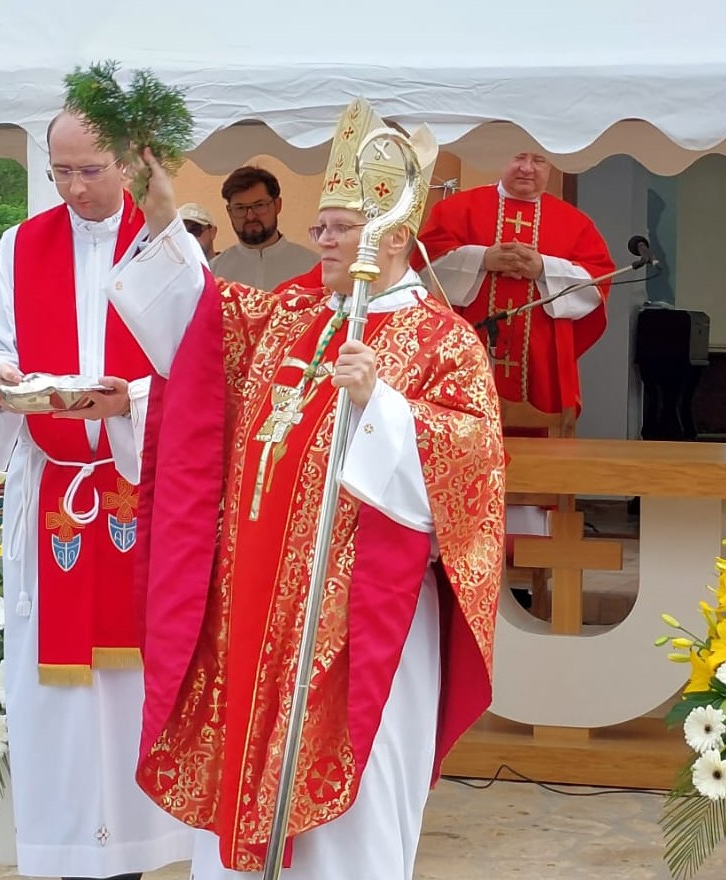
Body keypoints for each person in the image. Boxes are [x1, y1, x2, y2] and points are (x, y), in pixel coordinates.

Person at [104, 97, 504, 879]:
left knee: (354, 815)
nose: (319, 241)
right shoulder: (289, 313)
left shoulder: (440, 338)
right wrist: (159, 222)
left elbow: (473, 470)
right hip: (254, 609)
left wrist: (379, 403)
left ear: (391, 234)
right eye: (318, 225)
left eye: (339, 226)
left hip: (358, 613)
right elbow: (198, 321)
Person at [0, 110, 194, 880]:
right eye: (61, 171)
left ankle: (136, 848)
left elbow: (202, 363)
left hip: (136, 497)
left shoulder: (166, 246)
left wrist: (130, 406)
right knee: (56, 705)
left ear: (126, 162)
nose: (75, 187)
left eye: (90, 170)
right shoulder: (23, 245)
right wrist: (0, 381)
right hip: (52, 488)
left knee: (129, 691)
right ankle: (62, 853)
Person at [416, 150, 614, 415]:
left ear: (551, 167)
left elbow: (598, 279)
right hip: (468, 348)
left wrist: (544, 268)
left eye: (539, 161)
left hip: (539, 358)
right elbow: (422, 267)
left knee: (543, 450)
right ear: (502, 159)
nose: (527, 168)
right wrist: (482, 259)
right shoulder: (456, 209)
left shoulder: (576, 223)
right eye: (518, 158)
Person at [208, 165, 319, 288]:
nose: (250, 216)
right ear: (229, 211)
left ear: (277, 205)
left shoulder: (312, 266)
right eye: (240, 208)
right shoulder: (213, 273)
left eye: (259, 205)